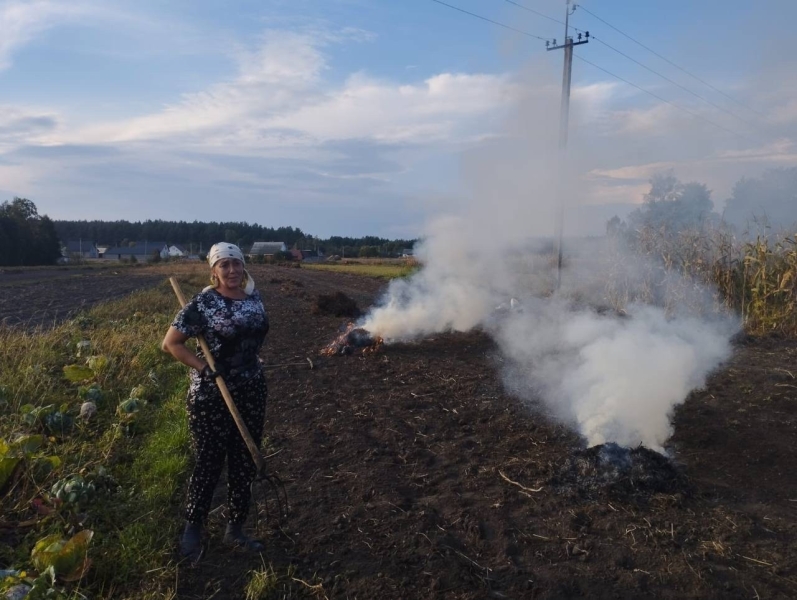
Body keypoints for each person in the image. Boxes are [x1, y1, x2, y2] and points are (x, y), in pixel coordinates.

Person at [162, 243, 269, 558]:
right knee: (208, 462)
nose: (232, 271)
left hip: (251, 388)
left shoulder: (254, 298)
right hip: (213, 392)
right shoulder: (203, 303)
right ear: (214, 270)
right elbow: (171, 344)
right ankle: (192, 529)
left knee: (244, 461)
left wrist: (251, 358)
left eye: (236, 264)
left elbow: (251, 337)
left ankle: (235, 529)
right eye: (225, 265)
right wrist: (204, 368)